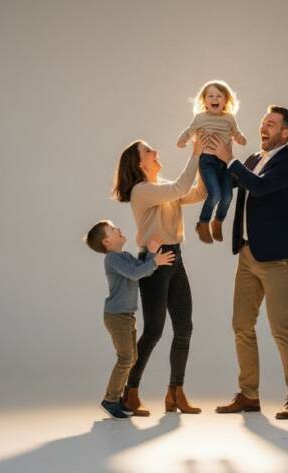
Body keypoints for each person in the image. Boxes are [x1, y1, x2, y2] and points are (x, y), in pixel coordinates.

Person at [209, 105, 288, 419]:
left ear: (285, 132)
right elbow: (232, 182)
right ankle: (249, 395)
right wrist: (209, 159)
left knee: (281, 328)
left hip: (278, 259)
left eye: (271, 124)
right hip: (248, 254)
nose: (263, 128)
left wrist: (232, 161)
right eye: (263, 122)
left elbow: (260, 186)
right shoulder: (253, 159)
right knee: (241, 325)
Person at [112, 134, 208, 415]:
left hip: (174, 256)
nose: (155, 151)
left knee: (184, 327)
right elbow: (182, 186)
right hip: (154, 260)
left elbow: (197, 192)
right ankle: (130, 392)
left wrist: (209, 162)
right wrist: (196, 153)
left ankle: (175, 393)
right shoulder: (142, 191)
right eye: (147, 150)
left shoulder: (165, 188)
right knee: (154, 329)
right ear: (139, 163)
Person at [84, 220, 175, 420]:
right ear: (107, 242)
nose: (118, 229)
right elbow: (135, 273)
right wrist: (155, 261)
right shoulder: (112, 260)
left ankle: (115, 399)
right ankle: (110, 400)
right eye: (113, 229)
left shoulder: (123, 256)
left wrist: (152, 254)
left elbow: (144, 270)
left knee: (131, 358)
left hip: (126, 316)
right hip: (116, 317)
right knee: (126, 358)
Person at [177, 80, 247, 243]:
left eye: (219, 96)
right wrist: (182, 141)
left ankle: (218, 222)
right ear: (204, 101)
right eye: (210, 96)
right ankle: (203, 223)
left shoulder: (229, 118)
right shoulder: (200, 118)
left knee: (228, 195)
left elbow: (236, 133)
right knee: (214, 194)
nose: (215, 99)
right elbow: (189, 131)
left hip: (225, 162)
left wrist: (240, 139)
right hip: (207, 161)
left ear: (225, 101)